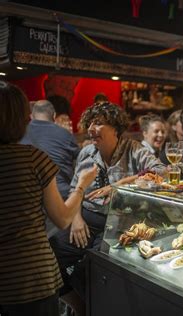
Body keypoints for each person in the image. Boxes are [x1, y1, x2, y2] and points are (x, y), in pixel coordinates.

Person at [49, 102, 165, 316]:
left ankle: (97, 307)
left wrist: (120, 184)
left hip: (119, 223)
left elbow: (161, 172)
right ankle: (79, 304)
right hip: (84, 220)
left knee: (96, 263)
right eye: (90, 123)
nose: (91, 128)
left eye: (99, 123)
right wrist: (76, 220)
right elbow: (76, 189)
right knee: (50, 253)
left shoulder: (133, 149)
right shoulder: (86, 153)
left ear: (116, 128)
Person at [0, 81, 97, 316]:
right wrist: (82, 185)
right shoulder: (34, 159)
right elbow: (63, 218)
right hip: (31, 279)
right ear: (22, 118)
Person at [21, 100, 80, 200]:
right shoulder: (65, 135)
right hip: (61, 195)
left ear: (31, 116)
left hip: (29, 195)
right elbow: (80, 159)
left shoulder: (19, 133)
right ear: (54, 116)